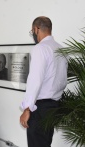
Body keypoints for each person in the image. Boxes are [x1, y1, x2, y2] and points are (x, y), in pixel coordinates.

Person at [20, 16, 68, 147]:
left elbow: (35, 80)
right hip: (54, 107)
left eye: (32, 31)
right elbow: (63, 80)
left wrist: (27, 109)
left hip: (40, 109)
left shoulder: (40, 49)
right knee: (45, 143)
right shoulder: (61, 49)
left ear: (36, 29)